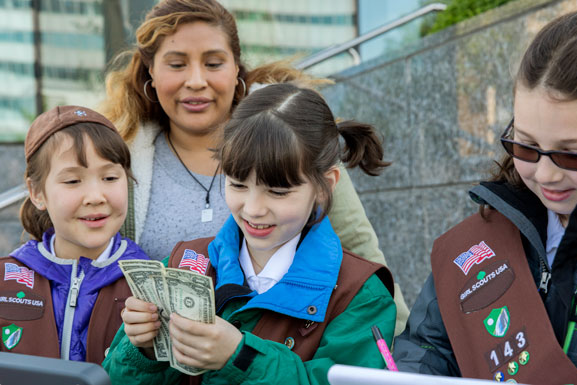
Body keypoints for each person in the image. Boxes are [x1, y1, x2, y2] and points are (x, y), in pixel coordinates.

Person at [99, 0, 409, 335]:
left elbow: (360, 251)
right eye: (176, 64)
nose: (196, 81)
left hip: (290, 356)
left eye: (214, 63)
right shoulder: (121, 163)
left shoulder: (295, 145)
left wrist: (399, 349)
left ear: (237, 69)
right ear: (151, 74)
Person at [102, 83, 397, 384]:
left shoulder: (360, 294)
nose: (254, 209)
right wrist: (142, 349)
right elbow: (115, 377)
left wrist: (241, 357)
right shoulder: (185, 261)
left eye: (278, 191)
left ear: (325, 186)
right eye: (238, 185)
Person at [392, 9, 577, 385]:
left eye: (573, 154)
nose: (544, 174)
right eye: (525, 146)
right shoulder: (480, 241)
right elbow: (428, 348)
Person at [0, 106, 150, 364]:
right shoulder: (6, 280)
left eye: (110, 177)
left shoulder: (149, 283)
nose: (95, 197)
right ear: (36, 192)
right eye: (72, 181)